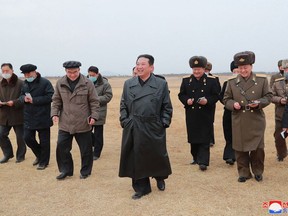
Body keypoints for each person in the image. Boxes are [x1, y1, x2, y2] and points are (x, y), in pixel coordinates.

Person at [119, 54, 173, 200]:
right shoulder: (128, 83)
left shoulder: (160, 84)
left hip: (153, 125)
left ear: (151, 67)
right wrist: (125, 120)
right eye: (138, 64)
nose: (139, 67)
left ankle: (160, 177)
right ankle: (141, 188)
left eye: (143, 64)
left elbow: (166, 106)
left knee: (156, 155)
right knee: (135, 157)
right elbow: (123, 104)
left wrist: (163, 122)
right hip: (134, 125)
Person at [223, 51, 272, 183]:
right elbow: (226, 99)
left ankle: (258, 171)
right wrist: (233, 104)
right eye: (240, 67)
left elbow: (268, 96)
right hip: (239, 118)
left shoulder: (261, 80)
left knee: (258, 148)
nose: (243, 70)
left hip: (256, 119)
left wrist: (259, 103)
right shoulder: (232, 82)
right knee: (240, 148)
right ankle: (243, 172)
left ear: (251, 66)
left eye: (245, 67)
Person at [52, 61, 100, 180]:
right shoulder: (60, 83)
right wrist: (54, 114)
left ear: (79, 70)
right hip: (65, 123)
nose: (72, 75)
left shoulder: (87, 83)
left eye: (75, 72)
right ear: (65, 71)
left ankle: (85, 171)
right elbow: (56, 100)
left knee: (86, 150)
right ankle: (65, 170)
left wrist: (94, 116)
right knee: (62, 147)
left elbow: (94, 101)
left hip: (83, 122)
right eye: (69, 72)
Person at [178, 56, 219, 171]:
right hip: (191, 113)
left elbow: (216, 95)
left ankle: (203, 161)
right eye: (194, 69)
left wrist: (207, 101)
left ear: (204, 68)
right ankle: (195, 157)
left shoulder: (212, 80)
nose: (196, 72)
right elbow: (181, 94)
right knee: (193, 137)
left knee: (205, 137)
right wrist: (186, 100)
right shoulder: (186, 80)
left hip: (206, 113)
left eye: (199, 69)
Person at [19, 64, 54, 170]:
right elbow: (20, 96)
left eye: (28, 73)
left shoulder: (45, 82)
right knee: (27, 138)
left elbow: (51, 96)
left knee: (44, 141)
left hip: (43, 116)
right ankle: (39, 155)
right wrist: (23, 98)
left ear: (35, 72)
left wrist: (34, 100)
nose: (27, 76)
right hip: (29, 116)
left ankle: (44, 162)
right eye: (25, 74)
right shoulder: (25, 84)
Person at [0, 63, 26, 163]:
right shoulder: (0, 84)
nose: (5, 73)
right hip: (4, 115)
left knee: (20, 137)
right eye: (3, 71)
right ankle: (7, 154)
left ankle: (20, 156)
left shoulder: (21, 83)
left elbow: (24, 97)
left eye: (7, 71)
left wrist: (14, 102)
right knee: (1, 135)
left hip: (18, 114)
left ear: (12, 70)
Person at [87, 66, 113, 160]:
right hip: (87, 112)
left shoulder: (105, 84)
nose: (91, 77)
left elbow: (108, 96)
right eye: (89, 75)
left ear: (97, 74)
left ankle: (97, 153)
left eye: (93, 75)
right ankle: (92, 146)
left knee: (98, 134)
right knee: (87, 132)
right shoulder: (85, 82)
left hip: (99, 112)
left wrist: (95, 99)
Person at [219, 61, 239, 165]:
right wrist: (230, 104)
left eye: (238, 70)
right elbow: (221, 97)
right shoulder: (227, 83)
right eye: (234, 71)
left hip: (241, 114)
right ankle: (229, 156)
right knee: (228, 135)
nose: (236, 73)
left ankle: (238, 155)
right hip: (228, 112)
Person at [271, 59, 288, 161]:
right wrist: (280, 100)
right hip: (280, 114)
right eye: (285, 69)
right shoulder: (277, 83)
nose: (287, 71)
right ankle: (281, 154)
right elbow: (270, 96)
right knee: (279, 136)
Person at [205, 61, 221, 147]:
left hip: (210, 104)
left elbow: (218, 91)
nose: (206, 71)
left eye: (207, 70)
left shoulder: (214, 78)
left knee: (210, 122)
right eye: (205, 69)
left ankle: (211, 140)